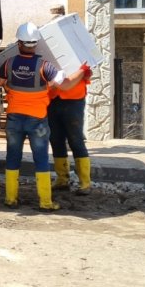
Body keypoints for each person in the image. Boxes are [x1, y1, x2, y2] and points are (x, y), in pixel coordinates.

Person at [0, 22, 91, 211]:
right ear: (35, 44)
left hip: (14, 120)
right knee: (41, 159)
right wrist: (83, 70)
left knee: (12, 158)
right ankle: (45, 202)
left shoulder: (8, 64)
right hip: (37, 122)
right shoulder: (45, 66)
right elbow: (66, 84)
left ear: (19, 43)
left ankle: (11, 199)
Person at [48, 60, 93, 195]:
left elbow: (87, 74)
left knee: (76, 140)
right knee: (55, 139)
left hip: (74, 100)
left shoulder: (78, 55)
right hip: (52, 99)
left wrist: (84, 71)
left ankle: (85, 183)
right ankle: (62, 179)